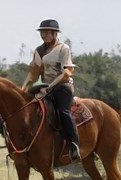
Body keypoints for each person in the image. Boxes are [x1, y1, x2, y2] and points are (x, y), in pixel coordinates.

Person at [22, 19, 81, 162]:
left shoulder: (63, 48)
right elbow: (34, 73)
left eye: (47, 32)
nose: (44, 35)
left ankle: (74, 144)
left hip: (63, 86)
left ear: (55, 33)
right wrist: (22, 89)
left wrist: (50, 87)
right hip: (46, 86)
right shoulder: (39, 50)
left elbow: (67, 72)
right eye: (42, 32)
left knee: (63, 111)